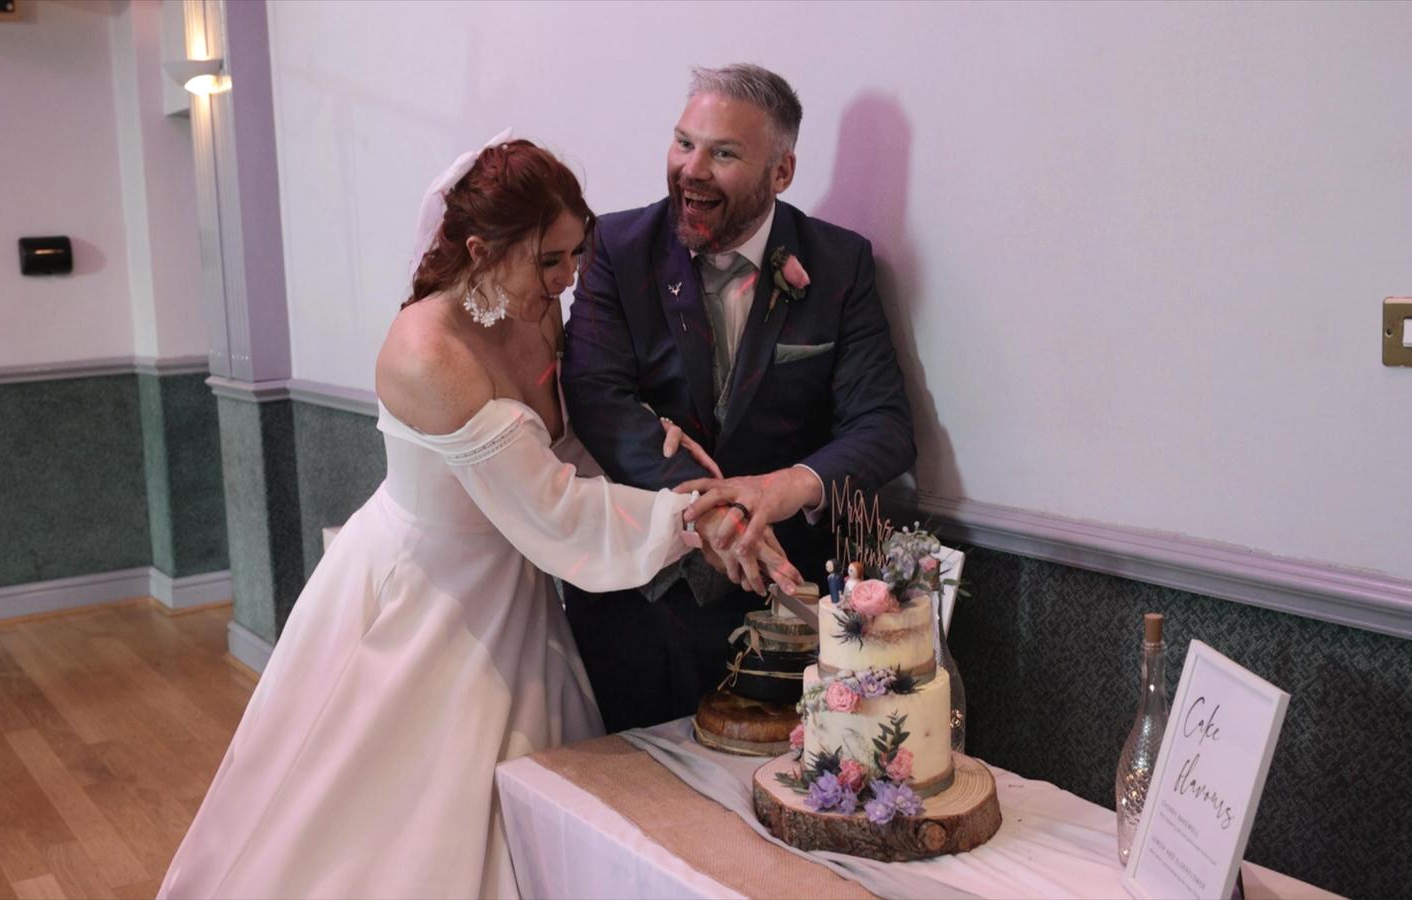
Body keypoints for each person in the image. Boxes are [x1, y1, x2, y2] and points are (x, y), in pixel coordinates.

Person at [158, 137, 799, 900]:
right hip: (426, 594)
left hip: (516, 583)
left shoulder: (535, 312)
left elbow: (567, 444)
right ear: (479, 249)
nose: (567, 282)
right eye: (548, 261)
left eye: (574, 256)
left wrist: (659, 443)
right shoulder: (426, 353)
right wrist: (694, 519)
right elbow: (553, 507)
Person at [561, 64, 917, 732]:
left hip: (777, 618)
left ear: (781, 173)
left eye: (723, 153)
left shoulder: (840, 265)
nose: (691, 169)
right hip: (638, 602)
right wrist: (712, 509)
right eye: (683, 142)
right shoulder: (617, 246)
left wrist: (786, 487)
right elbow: (595, 396)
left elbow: (885, 427)